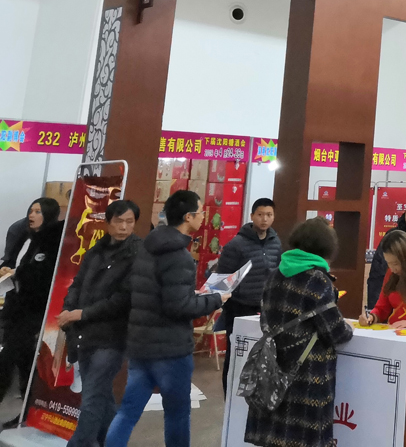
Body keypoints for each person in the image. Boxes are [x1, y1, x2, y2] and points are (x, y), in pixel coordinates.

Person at [104, 191, 229, 447]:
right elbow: (178, 306)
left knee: (127, 411)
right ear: (188, 217)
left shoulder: (147, 247)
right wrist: (217, 299)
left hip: (140, 344)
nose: (203, 217)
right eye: (200, 212)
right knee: (177, 414)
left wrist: (191, 295)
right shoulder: (180, 256)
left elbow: (158, 293)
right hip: (170, 349)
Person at [244, 217, 353, 447]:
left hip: (271, 369)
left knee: (274, 437)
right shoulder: (318, 280)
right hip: (307, 375)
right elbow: (336, 332)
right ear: (326, 247)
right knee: (303, 440)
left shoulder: (275, 275)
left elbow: (266, 319)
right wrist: (348, 328)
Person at [58, 200, 141, 447]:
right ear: (108, 223)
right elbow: (77, 283)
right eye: (119, 221)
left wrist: (81, 314)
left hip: (112, 336)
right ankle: (111, 442)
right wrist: (68, 309)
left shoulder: (138, 253)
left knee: (92, 396)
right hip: (84, 334)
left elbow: (122, 299)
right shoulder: (96, 250)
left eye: (129, 222)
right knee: (100, 395)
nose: (124, 227)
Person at [0, 197, 63, 418]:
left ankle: (28, 410)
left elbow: (42, 275)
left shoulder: (53, 241)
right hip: (17, 307)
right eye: (31, 210)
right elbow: (14, 261)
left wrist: (17, 273)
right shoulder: (25, 237)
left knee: (9, 356)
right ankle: (29, 411)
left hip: (36, 310)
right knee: (24, 361)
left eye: (38, 211)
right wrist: (7, 268)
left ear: (49, 215)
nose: (31, 215)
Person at [215, 197, 282, 395]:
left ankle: (256, 396)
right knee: (236, 355)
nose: (264, 219)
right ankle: (230, 397)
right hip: (239, 307)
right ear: (252, 216)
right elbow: (222, 278)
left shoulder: (276, 243)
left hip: (265, 308)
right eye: (260, 214)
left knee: (263, 355)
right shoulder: (236, 245)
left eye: (269, 215)